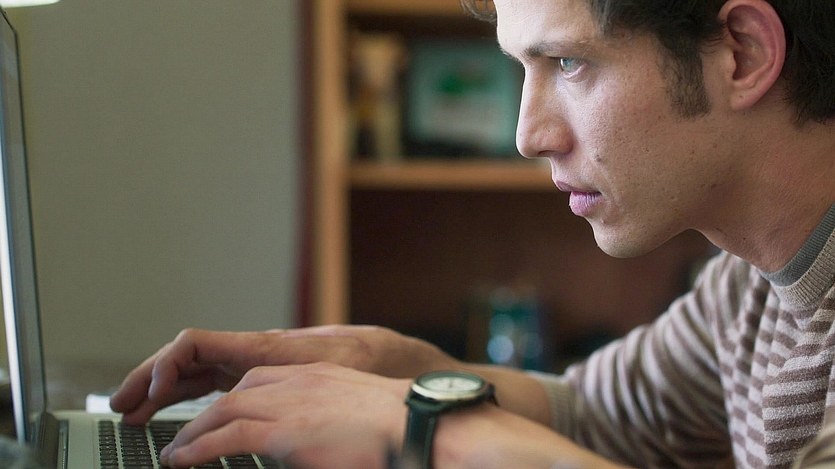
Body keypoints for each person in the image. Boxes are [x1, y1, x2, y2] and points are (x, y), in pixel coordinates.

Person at [110, 0, 835, 467]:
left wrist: (426, 428)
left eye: (568, 61)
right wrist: (401, 368)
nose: (528, 136)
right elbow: (594, 415)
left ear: (741, 53)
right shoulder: (744, 288)